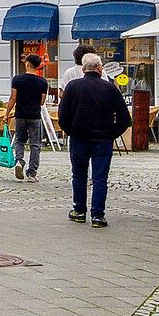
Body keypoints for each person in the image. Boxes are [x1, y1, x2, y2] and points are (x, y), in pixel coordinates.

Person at [58, 53, 131, 226]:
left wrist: (70, 131)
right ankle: (98, 215)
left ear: (83, 69)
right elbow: (125, 118)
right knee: (100, 178)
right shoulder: (110, 88)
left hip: (79, 138)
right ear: (100, 68)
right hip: (102, 139)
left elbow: (63, 115)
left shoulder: (73, 86)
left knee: (78, 175)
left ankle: (79, 211)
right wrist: (112, 133)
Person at [9, 55, 50, 182]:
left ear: (27, 64)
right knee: (35, 144)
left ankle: (19, 161)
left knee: (19, 141)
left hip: (20, 115)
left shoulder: (17, 79)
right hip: (34, 116)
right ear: (38, 66)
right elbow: (42, 102)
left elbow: (13, 98)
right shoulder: (43, 82)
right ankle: (32, 173)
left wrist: (6, 114)